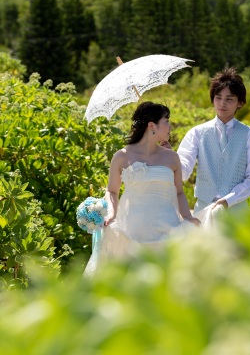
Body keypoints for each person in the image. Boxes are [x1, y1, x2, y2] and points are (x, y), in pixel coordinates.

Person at [85, 101, 200, 275]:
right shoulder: (122, 156)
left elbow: (179, 192)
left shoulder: (171, 157)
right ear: (152, 126)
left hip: (167, 229)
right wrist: (111, 214)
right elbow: (112, 191)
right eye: (166, 121)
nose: (170, 126)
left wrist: (188, 217)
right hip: (132, 230)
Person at [175, 67, 250, 220]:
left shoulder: (249, 135)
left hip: (237, 211)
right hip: (203, 209)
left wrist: (229, 200)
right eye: (218, 97)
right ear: (213, 99)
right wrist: (169, 157)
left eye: (229, 99)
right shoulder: (197, 133)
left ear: (240, 103)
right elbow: (183, 172)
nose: (222, 103)